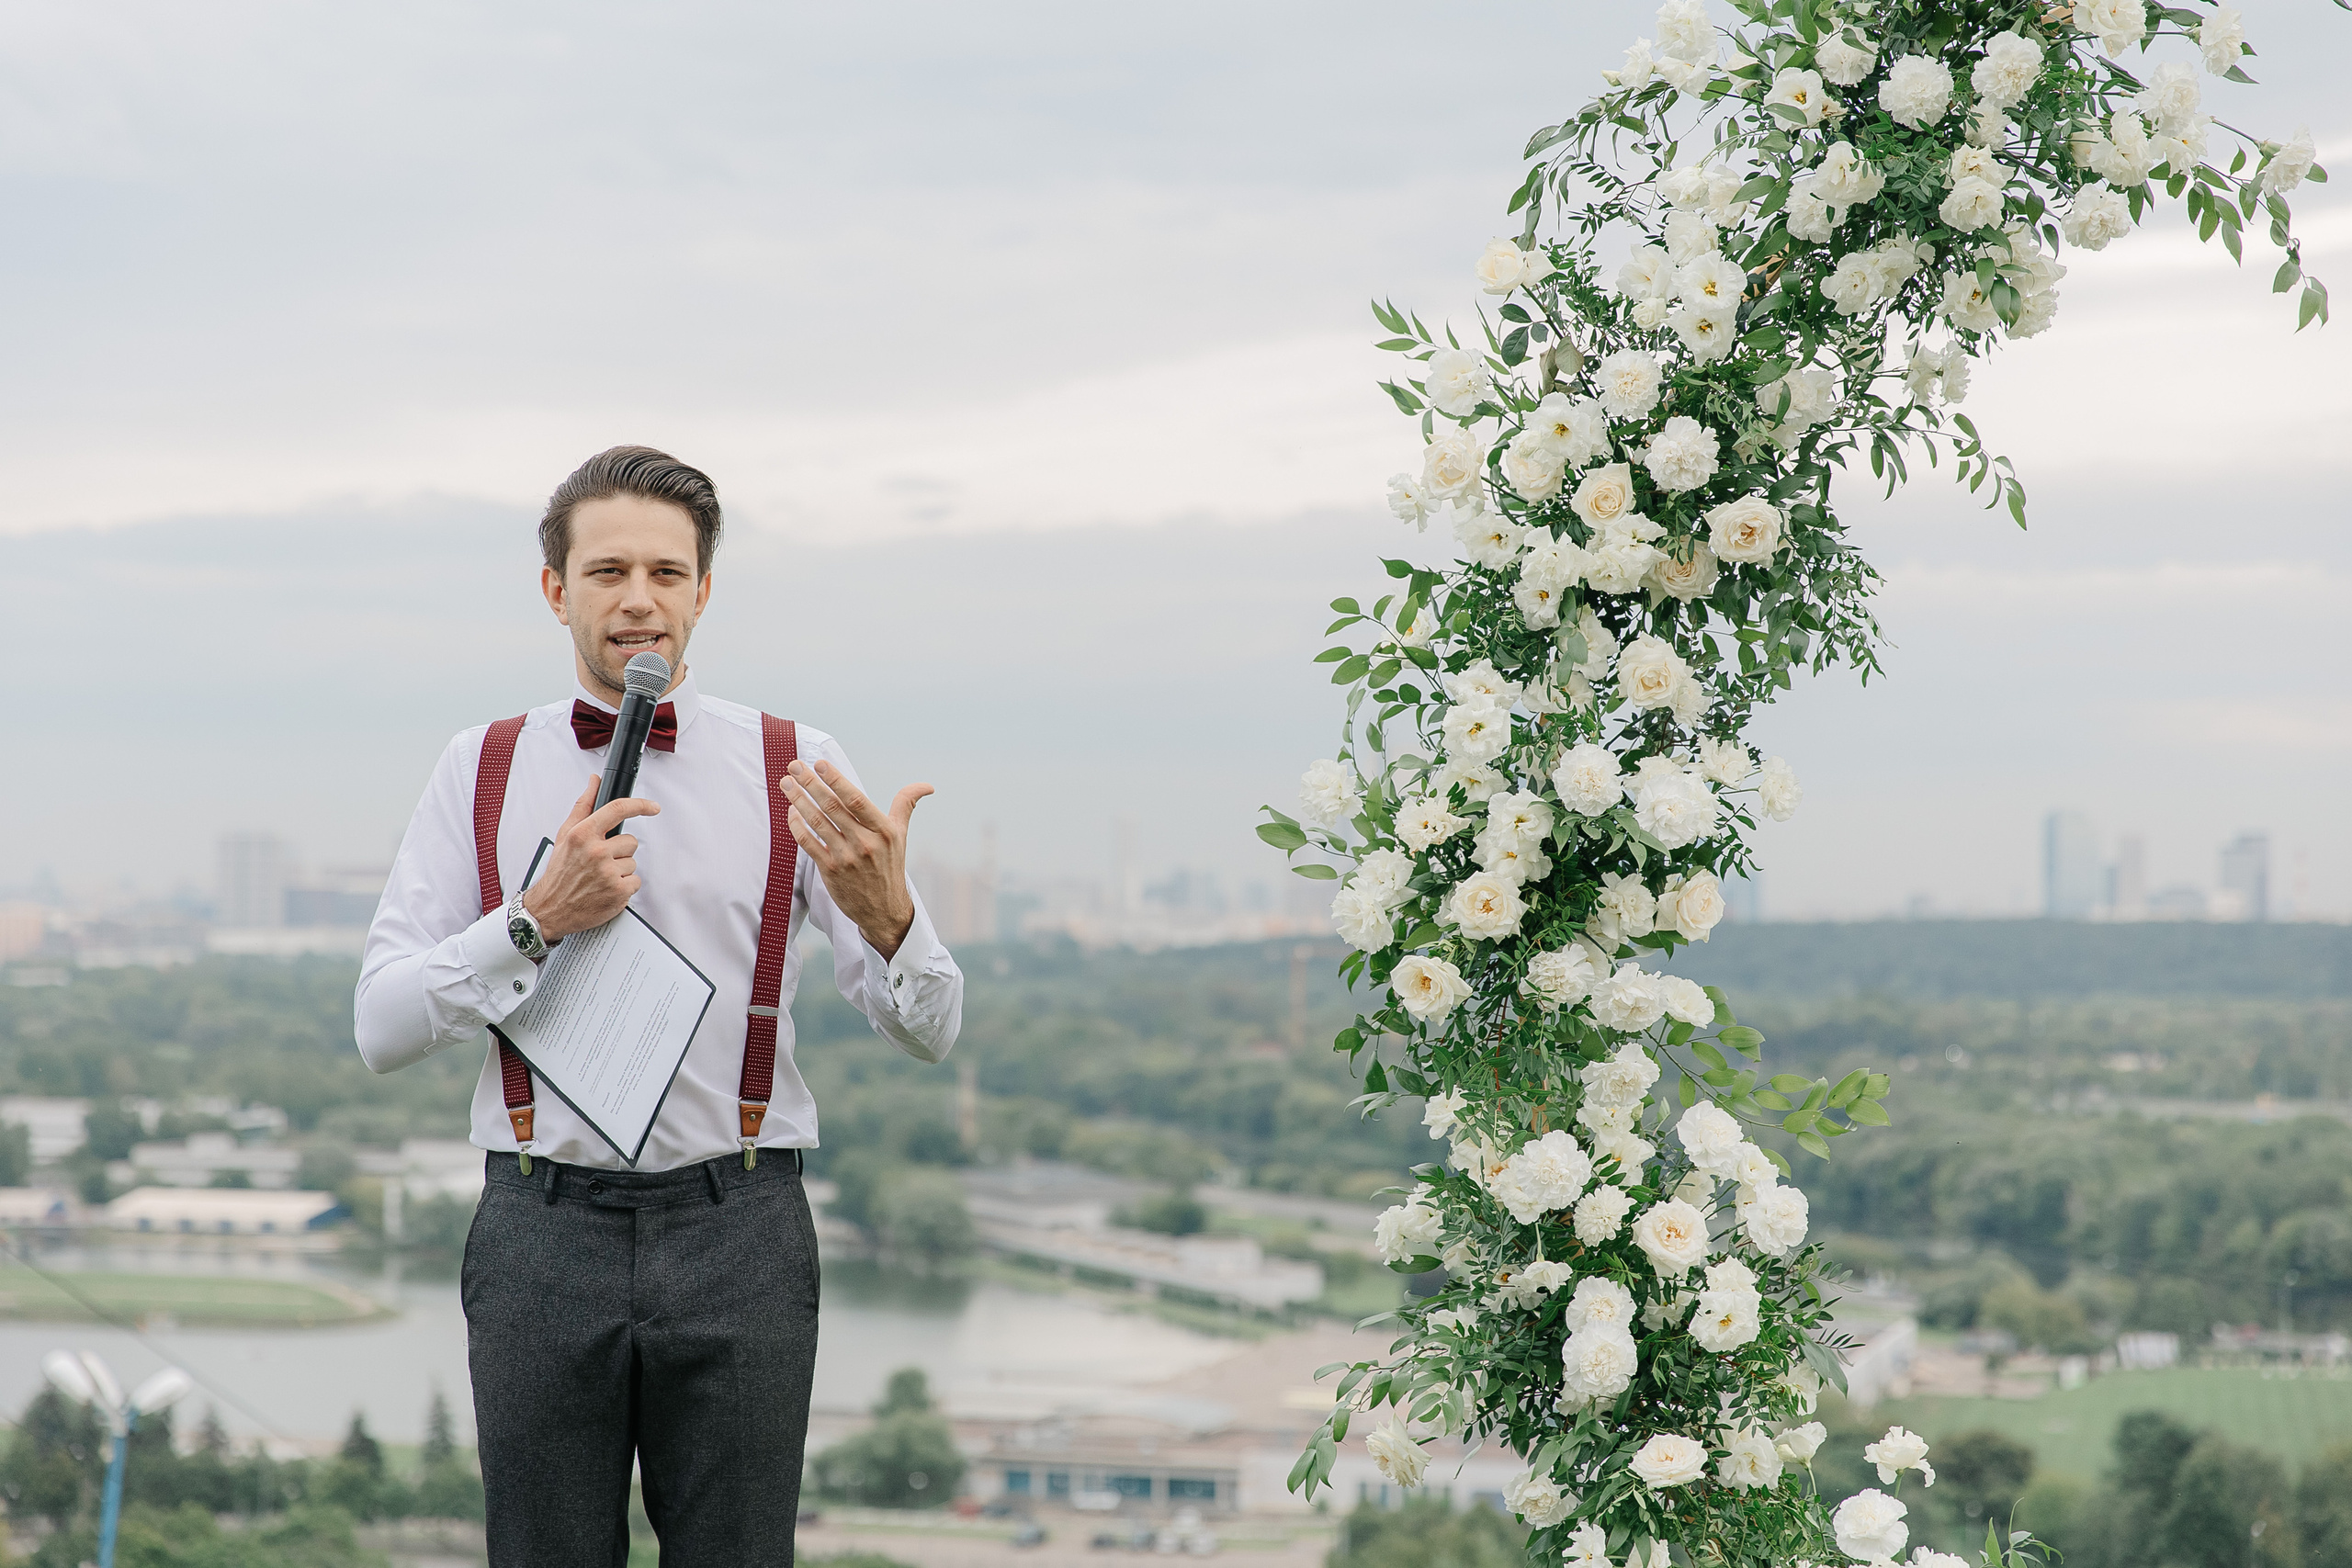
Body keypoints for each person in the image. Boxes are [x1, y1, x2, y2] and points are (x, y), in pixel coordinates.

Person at [355, 446, 963, 1566]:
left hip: (741, 1227)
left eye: (668, 574)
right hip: (541, 1230)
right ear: (556, 590)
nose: (640, 599)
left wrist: (891, 923)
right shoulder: (478, 767)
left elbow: (930, 1032)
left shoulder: (795, 763)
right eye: (608, 572)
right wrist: (534, 917)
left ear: (703, 590)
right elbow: (382, 1027)